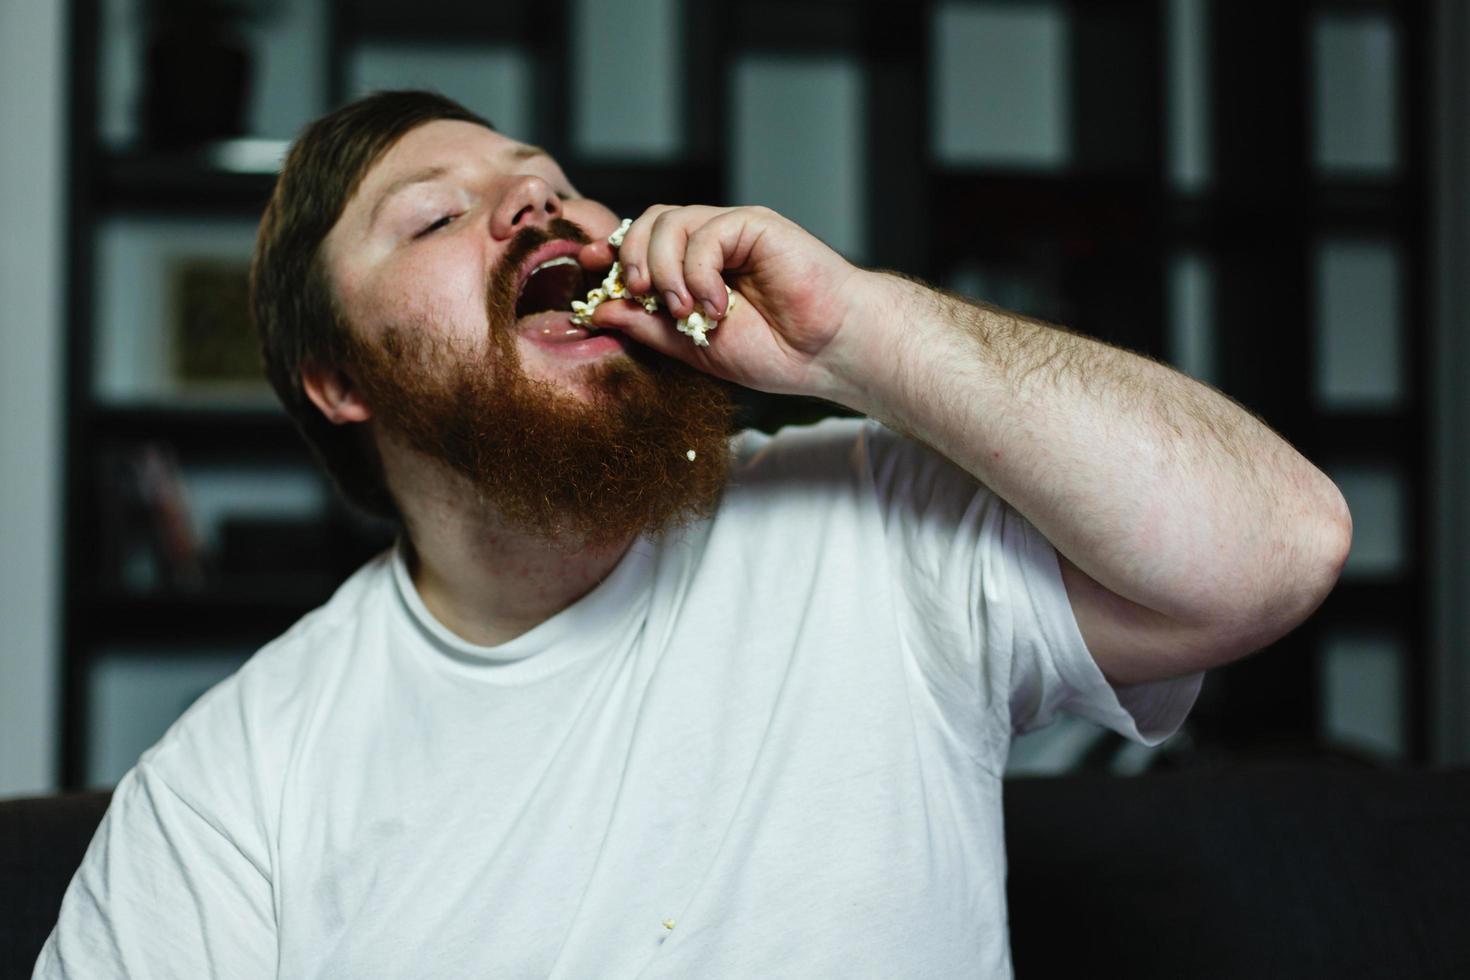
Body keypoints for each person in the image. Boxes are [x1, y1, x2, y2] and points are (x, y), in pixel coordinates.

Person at [35, 90, 1351, 978]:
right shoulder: (230, 789)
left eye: (551, 189)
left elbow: (1276, 547)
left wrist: (850, 337)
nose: (531, 209)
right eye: (432, 217)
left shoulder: (867, 517)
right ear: (337, 379)